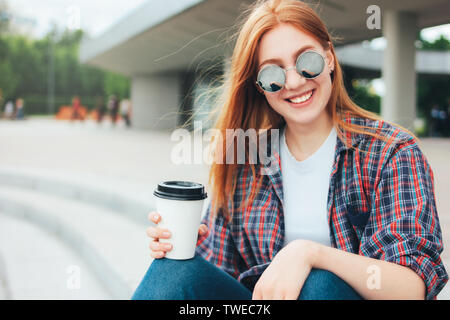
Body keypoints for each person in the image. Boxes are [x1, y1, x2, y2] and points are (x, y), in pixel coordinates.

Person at [132, 0, 448, 300]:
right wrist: (187, 251)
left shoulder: (391, 151)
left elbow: (411, 287)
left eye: (306, 61)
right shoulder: (245, 157)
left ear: (329, 59)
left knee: (319, 282)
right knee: (173, 271)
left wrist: (310, 254)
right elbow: (219, 276)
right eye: (273, 73)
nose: (294, 82)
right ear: (259, 87)